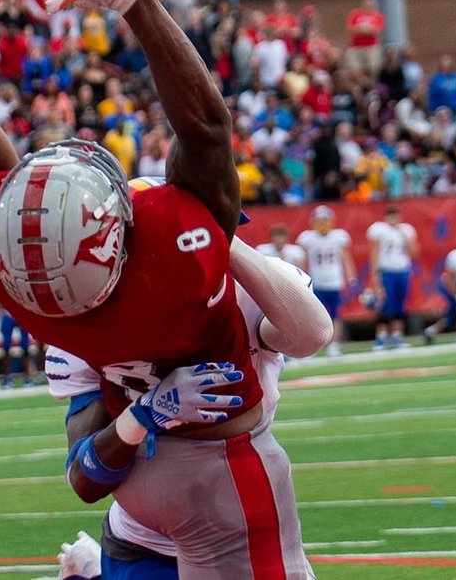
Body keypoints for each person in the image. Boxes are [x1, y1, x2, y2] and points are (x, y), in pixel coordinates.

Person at [0, 0, 308, 576]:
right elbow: (207, 131)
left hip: (136, 509)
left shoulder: (9, 268)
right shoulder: (177, 252)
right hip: (220, 485)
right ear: (114, 236)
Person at [48, 237, 330, 579]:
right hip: (145, 538)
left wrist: (225, 237)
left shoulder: (247, 289)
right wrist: (142, 416)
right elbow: (84, 479)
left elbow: (311, 334)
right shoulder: (89, 322)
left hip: (243, 513)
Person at [295, 207, 356, 357]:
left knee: (335, 315)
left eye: (324, 220)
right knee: (314, 316)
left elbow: (345, 258)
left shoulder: (338, 237)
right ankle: (314, 346)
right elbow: (302, 261)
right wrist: (300, 279)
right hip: (315, 281)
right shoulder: (307, 238)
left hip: (335, 281)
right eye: (319, 221)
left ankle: (334, 345)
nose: (322, 224)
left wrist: (351, 277)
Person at [367, 205, 418, 350]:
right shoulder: (379, 230)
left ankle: (397, 336)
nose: (393, 219)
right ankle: (381, 338)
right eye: (390, 215)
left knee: (399, 306)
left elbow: (414, 252)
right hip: (386, 271)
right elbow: (374, 253)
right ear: (385, 217)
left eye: (395, 215)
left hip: (402, 271)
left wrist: (403, 235)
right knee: (383, 305)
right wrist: (375, 275)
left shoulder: (406, 230)